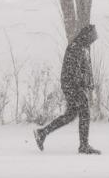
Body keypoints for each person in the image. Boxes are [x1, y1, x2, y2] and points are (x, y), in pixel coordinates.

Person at [34, 24, 101, 155]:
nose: (93, 39)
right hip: (72, 86)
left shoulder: (82, 47)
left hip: (73, 85)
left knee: (70, 115)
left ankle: (42, 133)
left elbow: (84, 69)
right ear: (87, 36)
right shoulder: (75, 48)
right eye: (92, 36)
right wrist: (82, 84)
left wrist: (89, 83)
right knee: (85, 112)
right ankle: (83, 146)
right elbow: (73, 71)